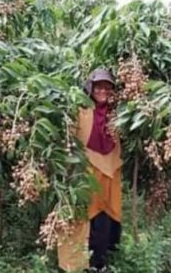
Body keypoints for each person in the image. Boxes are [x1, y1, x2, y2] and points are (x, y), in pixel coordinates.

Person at [58, 68, 123, 272]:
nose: (103, 91)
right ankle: (75, 265)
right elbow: (70, 142)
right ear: (90, 88)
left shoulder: (117, 116)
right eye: (99, 87)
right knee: (79, 220)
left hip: (108, 178)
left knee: (103, 223)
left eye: (107, 87)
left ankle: (98, 264)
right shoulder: (81, 111)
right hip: (83, 176)